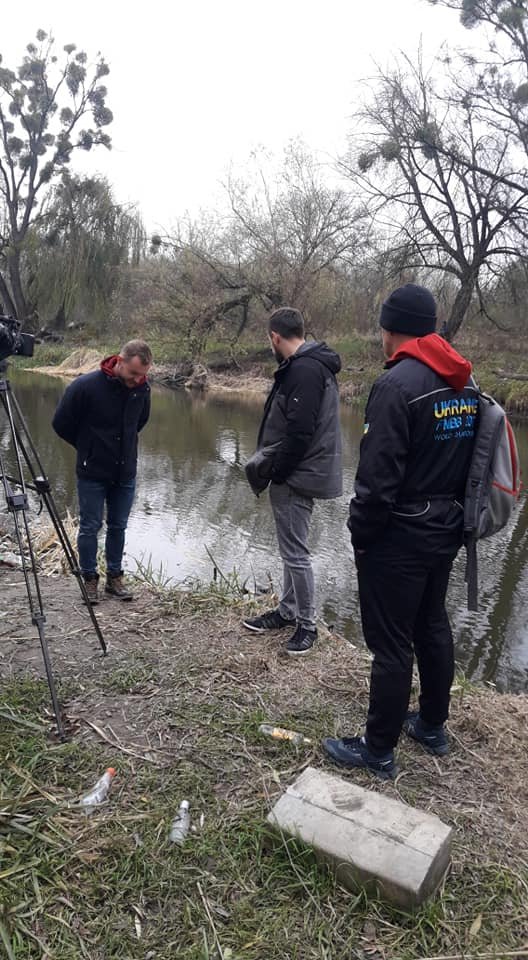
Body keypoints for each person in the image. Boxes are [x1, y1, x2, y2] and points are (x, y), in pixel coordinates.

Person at [323, 284, 477, 778]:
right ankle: (431, 726)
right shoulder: (465, 385)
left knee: (391, 644)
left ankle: (377, 749)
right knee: (431, 624)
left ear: (391, 330)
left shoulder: (397, 386)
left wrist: (361, 534)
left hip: (400, 534)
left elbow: (376, 479)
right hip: (446, 528)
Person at [243, 306, 342, 656]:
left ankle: (307, 625)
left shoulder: (304, 370)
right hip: (303, 472)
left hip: (298, 475)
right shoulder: (311, 365)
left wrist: (278, 472)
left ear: (275, 337)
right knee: (290, 548)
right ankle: (287, 611)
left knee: (296, 552)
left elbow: (300, 433)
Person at [52, 340, 152, 604]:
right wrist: (88, 448)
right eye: (132, 374)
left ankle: (115, 579)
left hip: (125, 472)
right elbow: (60, 423)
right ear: (119, 361)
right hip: (92, 472)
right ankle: (89, 580)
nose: (136, 380)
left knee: (118, 526)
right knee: (89, 527)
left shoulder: (142, 388)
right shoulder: (85, 386)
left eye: (141, 375)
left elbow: (140, 421)